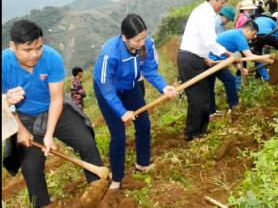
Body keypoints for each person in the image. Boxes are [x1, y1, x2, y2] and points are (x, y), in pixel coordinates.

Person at [2, 20, 104, 208]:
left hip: (54, 109)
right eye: (27, 49)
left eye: (38, 48)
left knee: (86, 142)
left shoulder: (51, 58)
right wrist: (20, 129)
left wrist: (49, 135)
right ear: (12, 47)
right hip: (23, 117)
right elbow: (4, 105)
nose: (34, 54)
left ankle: (97, 187)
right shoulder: (3, 64)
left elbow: (56, 99)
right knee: (31, 168)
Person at [93, 14, 177, 190]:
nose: (142, 43)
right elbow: (105, 86)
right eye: (137, 40)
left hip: (131, 86)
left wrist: (164, 87)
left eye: (144, 37)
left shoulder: (147, 44)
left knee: (144, 124)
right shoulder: (110, 53)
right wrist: (121, 112)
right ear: (124, 37)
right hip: (108, 91)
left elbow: (149, 70)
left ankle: (142, 163)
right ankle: (116, 178)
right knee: (118, 135)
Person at [177, 0, 234, 142]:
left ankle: (199, 131)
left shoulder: (203, 12)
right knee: (198, 98)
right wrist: (227, 53)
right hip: (190, 59)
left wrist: (204, 58)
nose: (222, 5)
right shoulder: (206, 14)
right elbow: (210, 41)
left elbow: (200, 41)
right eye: (222, 2)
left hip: (195, 58)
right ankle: (193, 133)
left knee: (202, 96)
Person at [208, 21, 274, 116]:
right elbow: (250, 56)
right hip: (213, 61)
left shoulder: (236, 34)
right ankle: (234, 107)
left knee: (210, 85)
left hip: (212, 59)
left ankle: (211, 111)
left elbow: (234, 58)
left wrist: (241, 69)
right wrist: (268, 61)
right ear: (248, 30)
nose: (253, 37)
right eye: (253, 34)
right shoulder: (239, 36)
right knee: (229, 80)